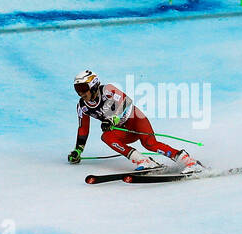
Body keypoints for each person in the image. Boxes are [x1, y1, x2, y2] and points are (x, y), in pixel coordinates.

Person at [66, 70, 202, 173]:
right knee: (106, 136)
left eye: (83, 89)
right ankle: (144, 161)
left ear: (94, 86)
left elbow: (126, 102)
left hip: (136, 120)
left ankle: (187, 161)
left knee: (150, 143)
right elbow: (83, 129)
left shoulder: (108, 90)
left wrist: (112, 119)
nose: (81, 93)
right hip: (123, 131)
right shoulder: (82, 106)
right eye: (77, 89)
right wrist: (78, 151)